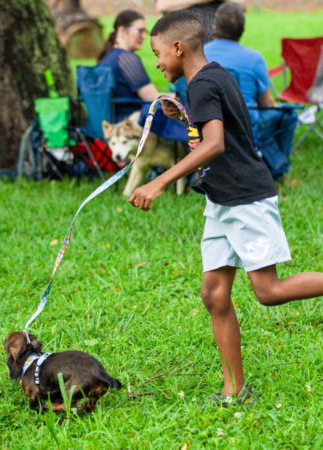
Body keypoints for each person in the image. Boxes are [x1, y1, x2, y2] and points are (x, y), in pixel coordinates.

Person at [128, 10, 323, 406]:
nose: (157, 62)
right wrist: (184, 114)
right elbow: (216, 135)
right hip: (221, 197)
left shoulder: (202, 86)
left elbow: (215, 145)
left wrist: (159, 180)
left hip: (244, 197)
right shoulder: (211, 78)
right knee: (214, 293)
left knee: (267, 291)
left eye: (158, 53)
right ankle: (234, 390)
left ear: (179, 48)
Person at [204, 2, 297, 180]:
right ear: (243, 28)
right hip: (243, 128)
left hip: (204, 126)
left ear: (214, 27)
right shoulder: (254, 59)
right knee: (289, 115)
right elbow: (267, 104)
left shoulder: (197, 54)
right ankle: (275, 171)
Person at [97, 10, 160, 123]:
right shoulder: (126, 58)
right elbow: (152, 97)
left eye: (145, 31)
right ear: (122, 31)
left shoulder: (108, 56)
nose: (145, 36)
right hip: (131, 121)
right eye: (139, 31)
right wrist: (181, 96)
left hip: (114, 119)